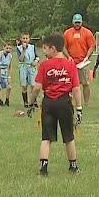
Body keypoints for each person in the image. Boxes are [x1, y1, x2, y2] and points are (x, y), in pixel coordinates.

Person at [26, 33, 83, 177]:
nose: (44, 51)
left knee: (46, 138)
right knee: (68, 137)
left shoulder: (44, 65)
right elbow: (76, 89)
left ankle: (43, 168)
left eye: (45, 48)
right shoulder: (70, 65)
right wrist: (79, 108)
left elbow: (37, 88)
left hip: (49, 103)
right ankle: (73, 166)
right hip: (64, 102)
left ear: (52, 49)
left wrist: (30, 103)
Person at [63, 13, 96, 106]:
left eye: (79, 22)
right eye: (76, 22)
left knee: (85, 83)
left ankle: (86, 102)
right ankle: (72, 102)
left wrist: (86, 57)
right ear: (73, 22)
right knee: (71, 84)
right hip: (71, 63)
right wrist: (68, 56)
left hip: (83, 63)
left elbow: (92, 46)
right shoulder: (67, 33)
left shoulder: (87, 33)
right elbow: (63, 47)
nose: (77, 24)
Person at [17, 32, 40, 108]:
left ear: (29, 39)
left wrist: (35, 61)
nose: (25, 40)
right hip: (23, 67)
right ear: (21, 39)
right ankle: (25, 101)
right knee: (24, 86)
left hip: (32, 67)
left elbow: (37, 57)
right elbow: (20, 59)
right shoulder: (19, 48)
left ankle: (34, 100)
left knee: (33, 85)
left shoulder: (33, 47)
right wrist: (23, 50)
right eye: (23, 38)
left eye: (26, 38)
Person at [0, 41, 13, 106]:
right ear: (3, 47)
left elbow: (10, 67)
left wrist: (9, 76)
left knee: (9, 87)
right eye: (7, 48)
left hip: (5, 72)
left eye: (10, 48)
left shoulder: (10, 56)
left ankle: (7, 100)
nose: (8, 50)